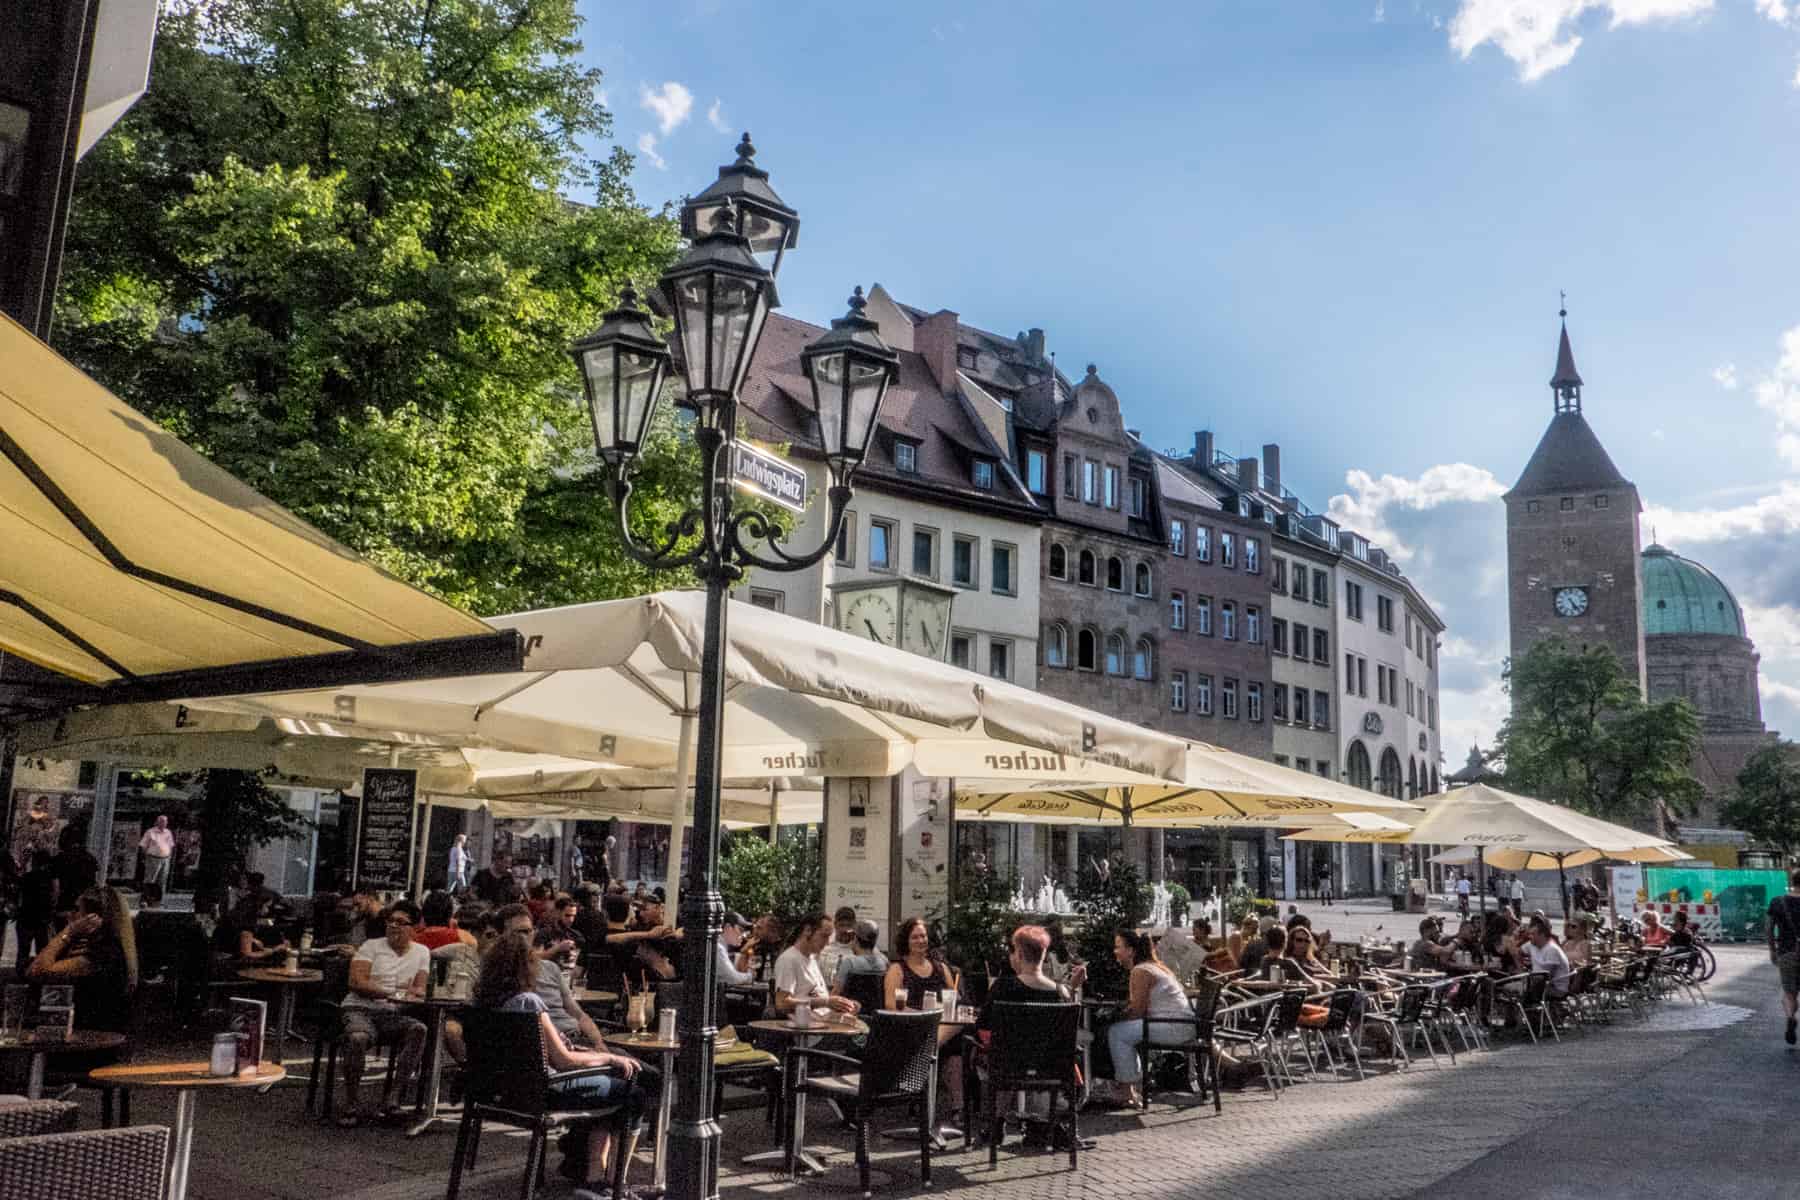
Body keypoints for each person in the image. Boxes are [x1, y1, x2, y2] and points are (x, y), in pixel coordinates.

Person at [475, 931, 655, 1192]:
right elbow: (564, 1060)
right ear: (527, 966)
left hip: (507, 1091)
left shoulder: (483, 1004)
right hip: (548, 1089)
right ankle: (616, 1183)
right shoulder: (529, 1002)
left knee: (610, 1089)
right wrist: (608, 1056)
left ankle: (594, 1178)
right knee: (632, 1093)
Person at [978, 925, 1083, 1147]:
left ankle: (995, 1123)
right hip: (1050, 1068)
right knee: (1010, 1053)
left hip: (1008, 1066)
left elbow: (983, 1026)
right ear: (1043, 955)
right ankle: (1045, 1122)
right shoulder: (1060, 992)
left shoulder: (1002, 987)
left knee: (995, 1053)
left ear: (1019, 954)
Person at [338, 899, 430, 1126]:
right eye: (390, 921)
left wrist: (412, 995)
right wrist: (391, 991)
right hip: (360, 1008)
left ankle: (393, 1098)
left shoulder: (422, 952)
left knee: (419, 1030)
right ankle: (351, 1102)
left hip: (391, 1014)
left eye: (401, 922)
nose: (393, 926)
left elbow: (419, 989)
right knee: (358, 1037)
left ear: (414, 928)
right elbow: (356, 982)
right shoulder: (371, 946)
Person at [1097, 929, 1191, 1108]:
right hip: (1181, 1024)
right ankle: (1131, 1086)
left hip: (1174, 1027)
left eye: (1118, 947)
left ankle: (1127, 1091)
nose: (1115, 951)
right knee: (1121, 1031)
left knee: (1117, 1033)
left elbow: (1138, 1011)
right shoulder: (1154, 966)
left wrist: (1113, 1017)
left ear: (1131, 951)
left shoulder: (1140, 971)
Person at [884, 916, 964, 1123]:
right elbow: (891, 1005)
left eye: (924, 936)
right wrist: (922, 1014)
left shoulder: (940, 968)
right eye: (915, 937)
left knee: (955, 1042)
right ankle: (932, 1046)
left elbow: (953, 998)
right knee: (950, 1040)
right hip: (912, 1025)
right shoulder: (897, 969)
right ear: (906, 942)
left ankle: (957, 1107)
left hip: (941, 1025)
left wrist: (944, 1007)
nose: (921, 941)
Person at [26, 886, 138, 1032]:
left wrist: (68, 932)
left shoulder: (104, 953)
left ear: (93, 918)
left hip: (91, 1038)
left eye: (76, 910)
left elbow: (37, 970)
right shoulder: (84, 946)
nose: (69, 915)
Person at [774, 913, 859, 1017]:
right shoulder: (789, 959)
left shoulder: (812, 958)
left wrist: (842, 1005)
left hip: (824, 1020)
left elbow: (818, 995)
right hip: (805, 1026)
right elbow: (782, 1003)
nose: (827, 942)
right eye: (824, 936)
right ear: (808, 930)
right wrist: (826, 1002)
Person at [1769, 868, 1800, 1045]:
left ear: (1792, 882)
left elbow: (1768, 928)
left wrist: (1772, 949)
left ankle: (1790, 1016)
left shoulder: (1778, 902)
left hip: (1787, 952)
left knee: (1789, 993)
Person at [15, 850, 55, 972]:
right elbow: (54, 897)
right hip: (42, 919)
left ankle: (22, 973)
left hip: (26, 918)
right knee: (42, 950)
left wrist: (22, 865)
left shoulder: (27, 877)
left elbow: (17, 892)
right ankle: (39, 974)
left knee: (23, 950)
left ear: (35, 862)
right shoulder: (50, 879)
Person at [831, 918, 888, 992]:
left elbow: (836, 993)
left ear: (856, 939)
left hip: (852, 1003)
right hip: (877, 1004)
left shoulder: (849, 963)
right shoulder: (884, 962)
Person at [1523, 917, 1571, 999]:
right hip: (1541, 985)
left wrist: (1524, 977)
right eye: (1529, 934)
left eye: (1532, 934)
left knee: (1515, 990)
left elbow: (1543, 978)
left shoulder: (1552, 949)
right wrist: (1519, 967)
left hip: (1555, 989)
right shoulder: (1533, 944)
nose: (1529, 936)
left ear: (1542, 935)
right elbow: (1517, 951)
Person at [817, 906, 858, 984]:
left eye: (848, 925)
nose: (845, 930)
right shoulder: (824, 945)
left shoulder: (862, 946)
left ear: (854, 925)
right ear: (835, 925)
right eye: (841, 925)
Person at [138, 815, 175, 889]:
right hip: (153, 858)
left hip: (165, 859)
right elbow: (143, 845)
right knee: (150, 879)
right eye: (162, 821)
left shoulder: (168, 832)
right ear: (157, 822)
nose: (164, 823)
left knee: (163, 879)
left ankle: (159, 898)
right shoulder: (150, 832)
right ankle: (147, 896)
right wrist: (146, 857)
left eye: (165, 821)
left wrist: (169, 856)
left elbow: (171, 845)